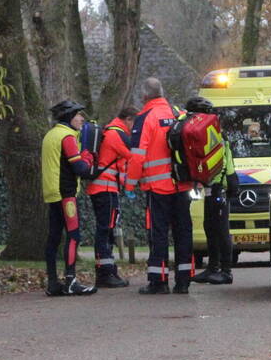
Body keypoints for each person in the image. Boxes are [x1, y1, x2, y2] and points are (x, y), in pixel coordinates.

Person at [127, 78, 194, 294]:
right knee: (183, 232)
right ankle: (183, 281)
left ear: (144, 95)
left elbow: (137, 156)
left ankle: (159, 281)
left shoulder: (145, 118)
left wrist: (129, 185)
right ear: (162, 92)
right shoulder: (177, 113)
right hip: (182, 185)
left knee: (159, 234)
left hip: (157, 188)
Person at [41, 100, 97, 296]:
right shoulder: (67, 137)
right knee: (73, 236)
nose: (81, 118)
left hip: (51, 193)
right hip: (66, 194)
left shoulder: (50, 135)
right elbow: (80, 168)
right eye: (78, 115)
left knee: (54, 238)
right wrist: (88, 156)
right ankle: (71, 281)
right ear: (69, 117)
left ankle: (52, 283)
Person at [188, 97, 240, 285]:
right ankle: (212, 267)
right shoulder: (207, 132)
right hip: (211, 187)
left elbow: (223, 161)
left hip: (219, 188)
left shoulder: (215, 134)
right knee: (209, 227)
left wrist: (224, 183)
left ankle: (226, 271)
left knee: (221, 230)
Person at [85, 106, 137, 288]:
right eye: (135, 123)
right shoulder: (116, 135)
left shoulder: (111, 132)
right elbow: (133, 157)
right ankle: (105, 273)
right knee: (105, 230)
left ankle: (108, 270)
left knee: (107, 229)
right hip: (105, 188)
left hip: (105, 188)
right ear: (128, 119)